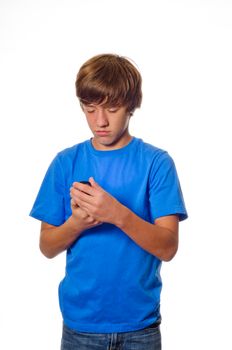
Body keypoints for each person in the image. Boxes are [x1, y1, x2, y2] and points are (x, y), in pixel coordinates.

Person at [30, 53, 188, 350]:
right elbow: (47, 246)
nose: (100, 121)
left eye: (112, 109)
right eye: (90, 110)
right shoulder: (66, 162)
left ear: (131, 106)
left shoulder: (156, 163)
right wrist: (76, 224)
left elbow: (168, 248)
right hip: (80, 327)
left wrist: (117, 214)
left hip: (140, 327)